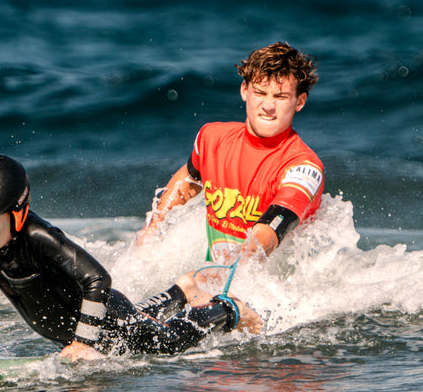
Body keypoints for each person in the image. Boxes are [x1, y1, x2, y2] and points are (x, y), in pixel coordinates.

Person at [0, 153, 260, 361]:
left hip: (105, 317)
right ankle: (182, 291)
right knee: (140, 320)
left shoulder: (41, 238)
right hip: (86, 328)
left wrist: (84, 341)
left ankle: (228, 309)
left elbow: (97, 279)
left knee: (162, 342)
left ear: (18, 212)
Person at [135, 42, 323, 308]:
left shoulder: (303, 166)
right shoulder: (212, 139)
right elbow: (187, 182)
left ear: (299, 101)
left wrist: (225, 271)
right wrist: (152, 229)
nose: (268, 106)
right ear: (244, 90)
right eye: (260, 92)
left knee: (190, 290)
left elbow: (271, 231)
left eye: (280, 97)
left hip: (280, 299)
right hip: (219, 283)